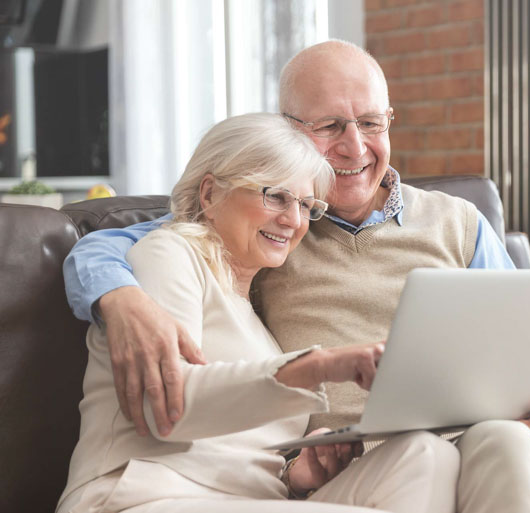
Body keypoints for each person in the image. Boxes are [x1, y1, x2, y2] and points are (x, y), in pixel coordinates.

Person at [64, 40, 530, 513]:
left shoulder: (458, 222)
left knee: (502, 439)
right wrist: (118, 297)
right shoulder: (239, 239)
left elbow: (522, 342)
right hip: (302, 469)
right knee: (425, 454)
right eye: (329, 126)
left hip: (448, 440)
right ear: (289, 129)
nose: (355, 146)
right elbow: (127, 240)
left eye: (371, 122)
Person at [58, 112, 461, 513]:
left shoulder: (257, 318)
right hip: (142, 494)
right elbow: (167, 408)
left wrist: (297, 473)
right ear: (210, 194)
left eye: (306, 205)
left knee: (425, 454)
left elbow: (239, 451)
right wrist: (319, 366)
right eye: (276, 196)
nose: (293, 220)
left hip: (251, 501)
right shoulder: (168, 254)